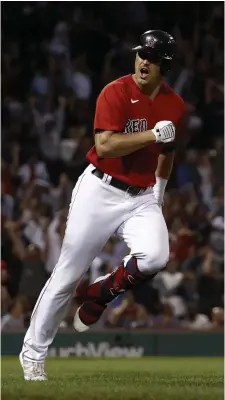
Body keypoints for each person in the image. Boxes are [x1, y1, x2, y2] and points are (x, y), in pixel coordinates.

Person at [20, 30, 185, 380]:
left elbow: (167, 153)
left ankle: (101, 292)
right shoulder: (116, 91)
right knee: (66, 275)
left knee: (156, 257)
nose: (144, 62)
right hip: (100, 189)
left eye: (153, 58)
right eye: (142, 54)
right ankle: (33, 354)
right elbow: (106, 145)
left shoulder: (175, 105)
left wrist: (159, 190)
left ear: (165, 66)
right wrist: (153, 134)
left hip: (141, 196)